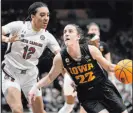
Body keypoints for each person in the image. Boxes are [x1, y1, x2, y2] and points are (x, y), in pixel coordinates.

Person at [29, 24, 128, 113]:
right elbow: (50, 77)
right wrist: (35, 86)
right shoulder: (60, 57)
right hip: (86, 95)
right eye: (65, 32)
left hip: (104, 88)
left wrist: (121, 68)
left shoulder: (91, 50)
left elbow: (109, 67)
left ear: (78, 37)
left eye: (70, 31)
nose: (66, 34)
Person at [2, 2, 61, 113]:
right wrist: (6, 39)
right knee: (17, 110)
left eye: (48, 15)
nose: (46, 18)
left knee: (39, 111)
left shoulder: (47, 36)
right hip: (10, 73)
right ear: (32, 16)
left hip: (30, 76)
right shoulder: (19, 26)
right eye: (42, 15)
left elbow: (60, 55)